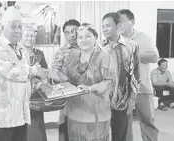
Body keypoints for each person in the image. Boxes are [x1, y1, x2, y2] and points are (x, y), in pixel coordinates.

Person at [0, 7, 48, 141]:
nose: (18, 30)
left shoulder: (21, 49)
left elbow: (26, 76)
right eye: (13, 26)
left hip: (20, 115)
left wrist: (39, 82)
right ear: (3, 27)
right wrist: (35, 70)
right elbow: (9, 71)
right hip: (0, 117)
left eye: (20, 26)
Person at [58, 23, 116, 141]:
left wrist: (90, 88)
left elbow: (109, 82)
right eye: (80, 37)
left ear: (95, 37)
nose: (83, 40)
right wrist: (56, 78)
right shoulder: (72, 55)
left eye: (88, 36)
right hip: (74, 111)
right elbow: (65, 75)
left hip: (96, 113)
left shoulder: (104, 57)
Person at [118, 9, 159, 141]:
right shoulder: (113, 39)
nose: (119, 25)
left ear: (132, 22)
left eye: (122, 21)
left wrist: (133, 55)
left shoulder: (143, 37)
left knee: (148, 121)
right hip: (122, 91)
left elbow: (154, 57)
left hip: (143, 88)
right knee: (124, 124)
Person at [101, 12, 140, 141]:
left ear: (118, 25)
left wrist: (132, 99)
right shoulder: (99, 47)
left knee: (120, 137)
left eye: (108, 26)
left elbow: (134, 74)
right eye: (103, 26)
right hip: (101, 101)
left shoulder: (131, 46)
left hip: (122, 101)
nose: (104, 29)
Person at [51, 19, 81, 141]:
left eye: (74, 31)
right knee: (66, 129)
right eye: (67, 32)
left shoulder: (90, 48)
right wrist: (64, 80)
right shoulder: (62, 51)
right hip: (68, 95)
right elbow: (53, 72)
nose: (71, 35)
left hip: (87, 95)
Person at [21, 24, 48, 141]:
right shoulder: (16, 54)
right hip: (20, 96)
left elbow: (45, 72)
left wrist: (40, 74)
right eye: (26, 35)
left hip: (36, 96)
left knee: (36, 127)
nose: (29, 38)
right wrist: (32, 71)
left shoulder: (39, 54)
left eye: (32, 36)